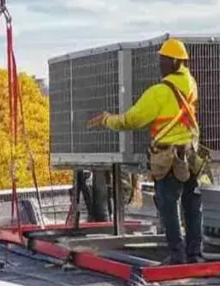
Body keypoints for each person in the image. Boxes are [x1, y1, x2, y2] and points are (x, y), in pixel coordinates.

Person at [87, 38, 205, 264]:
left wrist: (108, 120)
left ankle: (177, 254)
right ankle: (194, 253)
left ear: (173, 61)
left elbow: (132, 120)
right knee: (191, 205)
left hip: (169, 157)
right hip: (191, 153)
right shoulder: (191, 83)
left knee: (168, 205)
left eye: (162, 60)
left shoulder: (159, 92)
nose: (159, 64)